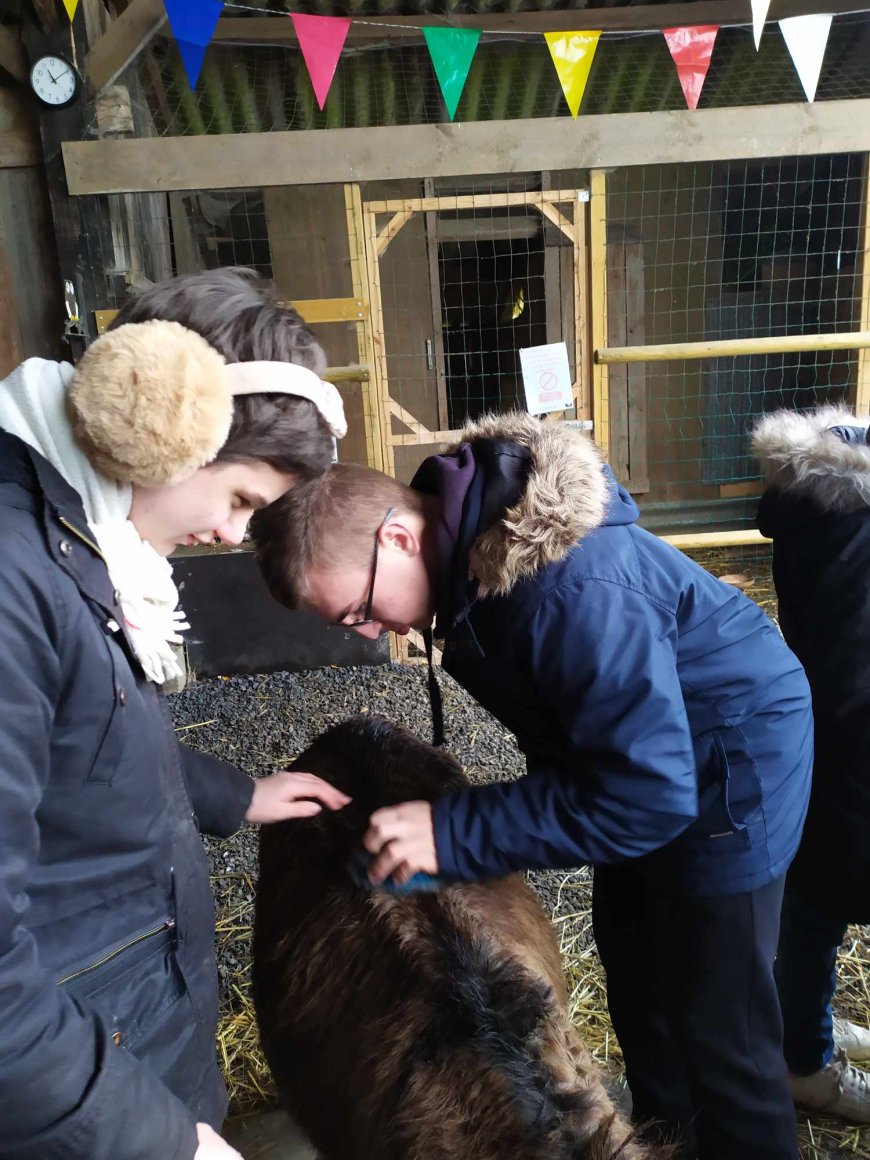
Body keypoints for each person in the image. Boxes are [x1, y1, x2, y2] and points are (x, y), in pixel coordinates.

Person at [252, 410, 814, 1159]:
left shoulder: (565, 591)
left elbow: (647, 794)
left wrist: (451, 832)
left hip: (729, 765)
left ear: (397, 537)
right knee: (639, 977)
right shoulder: (472, 566)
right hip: (633, 762)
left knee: (724, 1029)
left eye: (358, 608)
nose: (365, 633)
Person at [0, 273, 352, 1160]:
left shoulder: (79, 544)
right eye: (241, 500)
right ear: (160, 423)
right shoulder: (14, 581)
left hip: (121, 1041)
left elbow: (86, 748)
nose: (234, 536)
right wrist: (165, 1141)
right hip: (79, 1096)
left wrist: (235, 795)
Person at [754, 405, 870, 1123]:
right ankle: (805, 1060)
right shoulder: (852, 527)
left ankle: (807, 1028)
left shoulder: (810, 511)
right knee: (817, 910)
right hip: (859, 746)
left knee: (811, 910)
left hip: (823, 738)